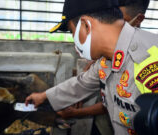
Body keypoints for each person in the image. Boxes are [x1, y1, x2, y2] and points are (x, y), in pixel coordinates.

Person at [26, 0, 158, 134]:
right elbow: (82, 83)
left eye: (72, 32)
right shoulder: (107, 58)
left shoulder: (149, 61)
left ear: (86, 25)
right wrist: (44, 96)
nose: (74, 40)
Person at [57, 0, 150, 119]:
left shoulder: (144, 61)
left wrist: (76, 113)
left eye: (120, 18)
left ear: (138, 19)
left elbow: (117, 103)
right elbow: (88, 79)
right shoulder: (107, 52)